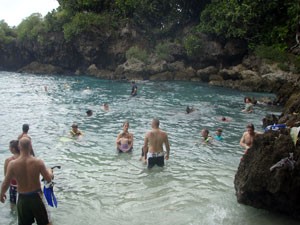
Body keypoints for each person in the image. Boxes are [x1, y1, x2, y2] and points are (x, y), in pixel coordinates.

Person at [0, 137, 53, 225]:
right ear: (30, 146)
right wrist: (50, 171)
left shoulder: (12, 164)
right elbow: (48, 179)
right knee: (45, 223)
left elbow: (6, 182)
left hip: (22, 198)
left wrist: (1, 194)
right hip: (36, 197)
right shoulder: (38, 162)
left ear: (19, 147)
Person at [4, 140, 20, 207]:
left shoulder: (8, 160)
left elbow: (6, 176)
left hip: (13, 185)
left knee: (13, 205)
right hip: (25, 185)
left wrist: (3, 191)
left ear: (13, 149)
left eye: (9, 147)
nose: (9, 149)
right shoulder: (26, 158)